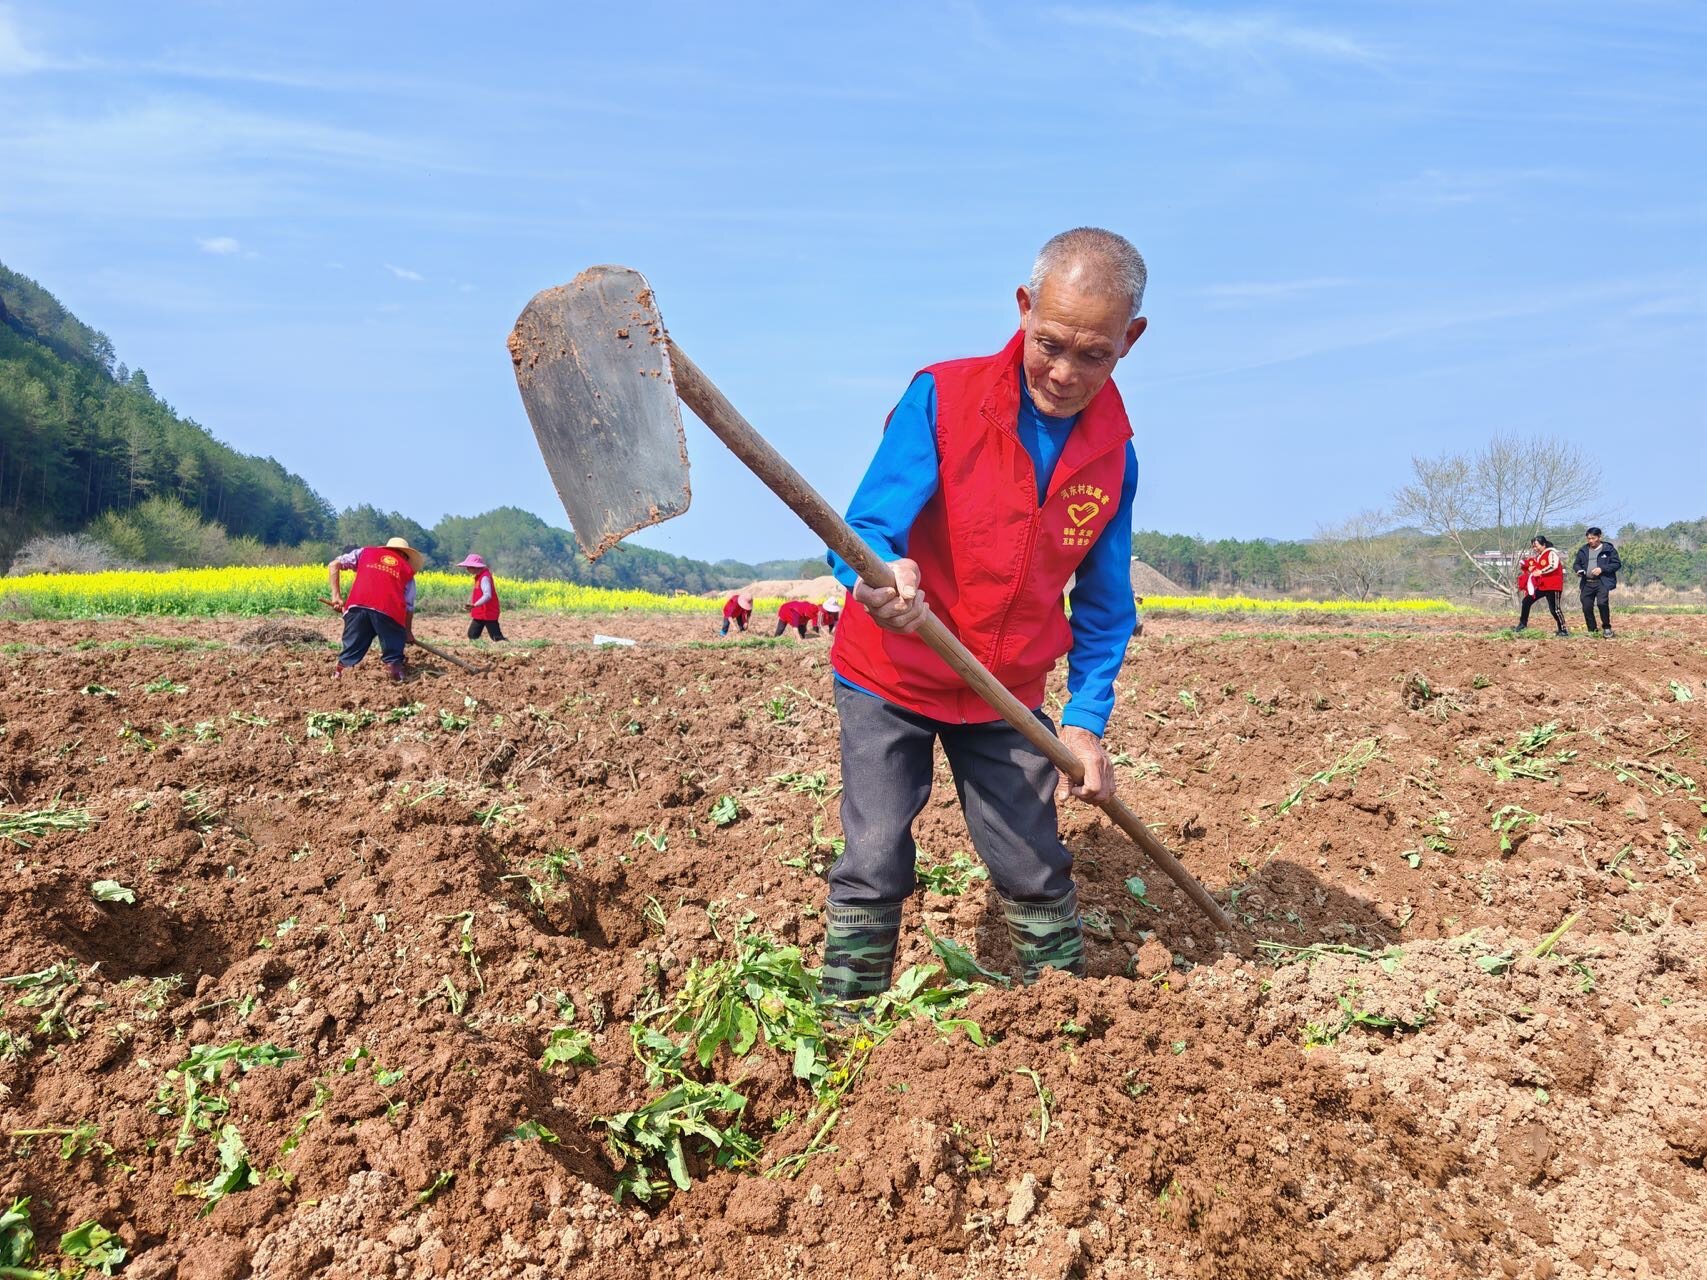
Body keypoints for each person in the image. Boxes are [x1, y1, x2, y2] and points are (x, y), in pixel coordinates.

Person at [822, 227, 1145, 1009]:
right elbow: (864, 529)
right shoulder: (943, 397)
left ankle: (1066, 1018)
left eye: (1092, 354)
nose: (1064, 373)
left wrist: (1085, 722)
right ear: (1023, 306)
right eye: (1049, 344)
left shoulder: (1113, 458)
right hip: (889, 672)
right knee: (873, 850)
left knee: (1033, 861)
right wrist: (879, 574)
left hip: (1002, 691)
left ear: (1129, 341)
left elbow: (1104, 609)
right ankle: (840, 1019)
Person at [328, 537, 425, 680]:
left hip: (357, 606)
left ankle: (341, 674)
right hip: (389, 612)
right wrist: (407, 632)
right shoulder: (407, 571)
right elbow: (409, 606)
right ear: (405, 555)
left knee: (352, 648)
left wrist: (336, 596)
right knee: (393, 650)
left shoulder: (364, 553)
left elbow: (334, 564)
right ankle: (395, 674)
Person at [1572, 527, 1622, 638]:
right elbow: (1576, 564)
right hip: (1587, 582)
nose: (1590, 541)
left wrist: (1602, 569)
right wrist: (1578, 570)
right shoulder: (1583, 550)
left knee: (1602, 603)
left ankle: (1607, 628)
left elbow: (1616, 564)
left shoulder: (1608, 549)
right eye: (1588, 538)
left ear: (1599, 537)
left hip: (1602, 582)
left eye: (1593, 538)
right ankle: (1592, 629)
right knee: (1586, 606)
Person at [1515, 537, 1567, 636]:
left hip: (1553, 585)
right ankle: (1522, 625)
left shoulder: (1551, 553)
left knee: (1555, 609)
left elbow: (1553, 565)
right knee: (1526, 601)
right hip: (1542, 585)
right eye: (1533, 546)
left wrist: (1541, 571)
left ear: (1543, 545)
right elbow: (1538, 568)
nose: (1535, 548)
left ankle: (1563, 630)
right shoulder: (1539, 556)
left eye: (1536, 546)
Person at [458, 554, 506, 641]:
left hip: (488, 612)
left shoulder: (484, 577)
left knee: (496, 637)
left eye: (469, 567)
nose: (467, 569)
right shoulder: (479, 577)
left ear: (475, 567)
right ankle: (477, 649)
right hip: (480, 612)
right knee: (472, 635)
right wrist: (472, 605)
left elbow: (487, 595)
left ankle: (506, 647)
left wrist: (474, 605)